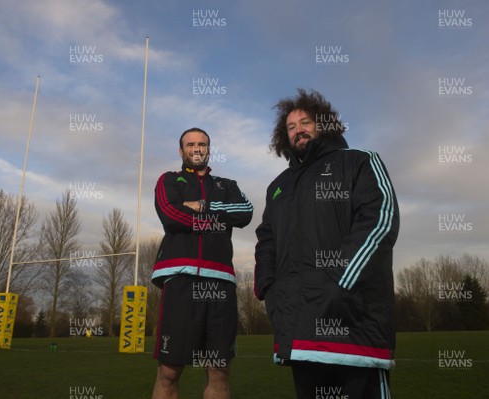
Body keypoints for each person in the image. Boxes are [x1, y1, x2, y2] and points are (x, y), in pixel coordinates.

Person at [254, 89, 399, 399]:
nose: (298, 130)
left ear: (324, 124)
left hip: (354, 325)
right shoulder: (278, 186)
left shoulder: (360, 161)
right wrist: (268, 287)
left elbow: (379, 221)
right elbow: (266, 239)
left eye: (305, 122)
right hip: (299, 331)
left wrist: (339, 282)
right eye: (290, 127)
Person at [151, 127, 253, 399]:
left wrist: (204, 207)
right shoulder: (168, 180)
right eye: (191, 144)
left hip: (221, 282)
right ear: (181, 150)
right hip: (180, 279)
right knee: (170, 371)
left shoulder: (227, 185)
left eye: (203, 144)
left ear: (209, 149)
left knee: (219, 372)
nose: (197, 148)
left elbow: (245, 213)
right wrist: (219, 219)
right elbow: (171, 215)